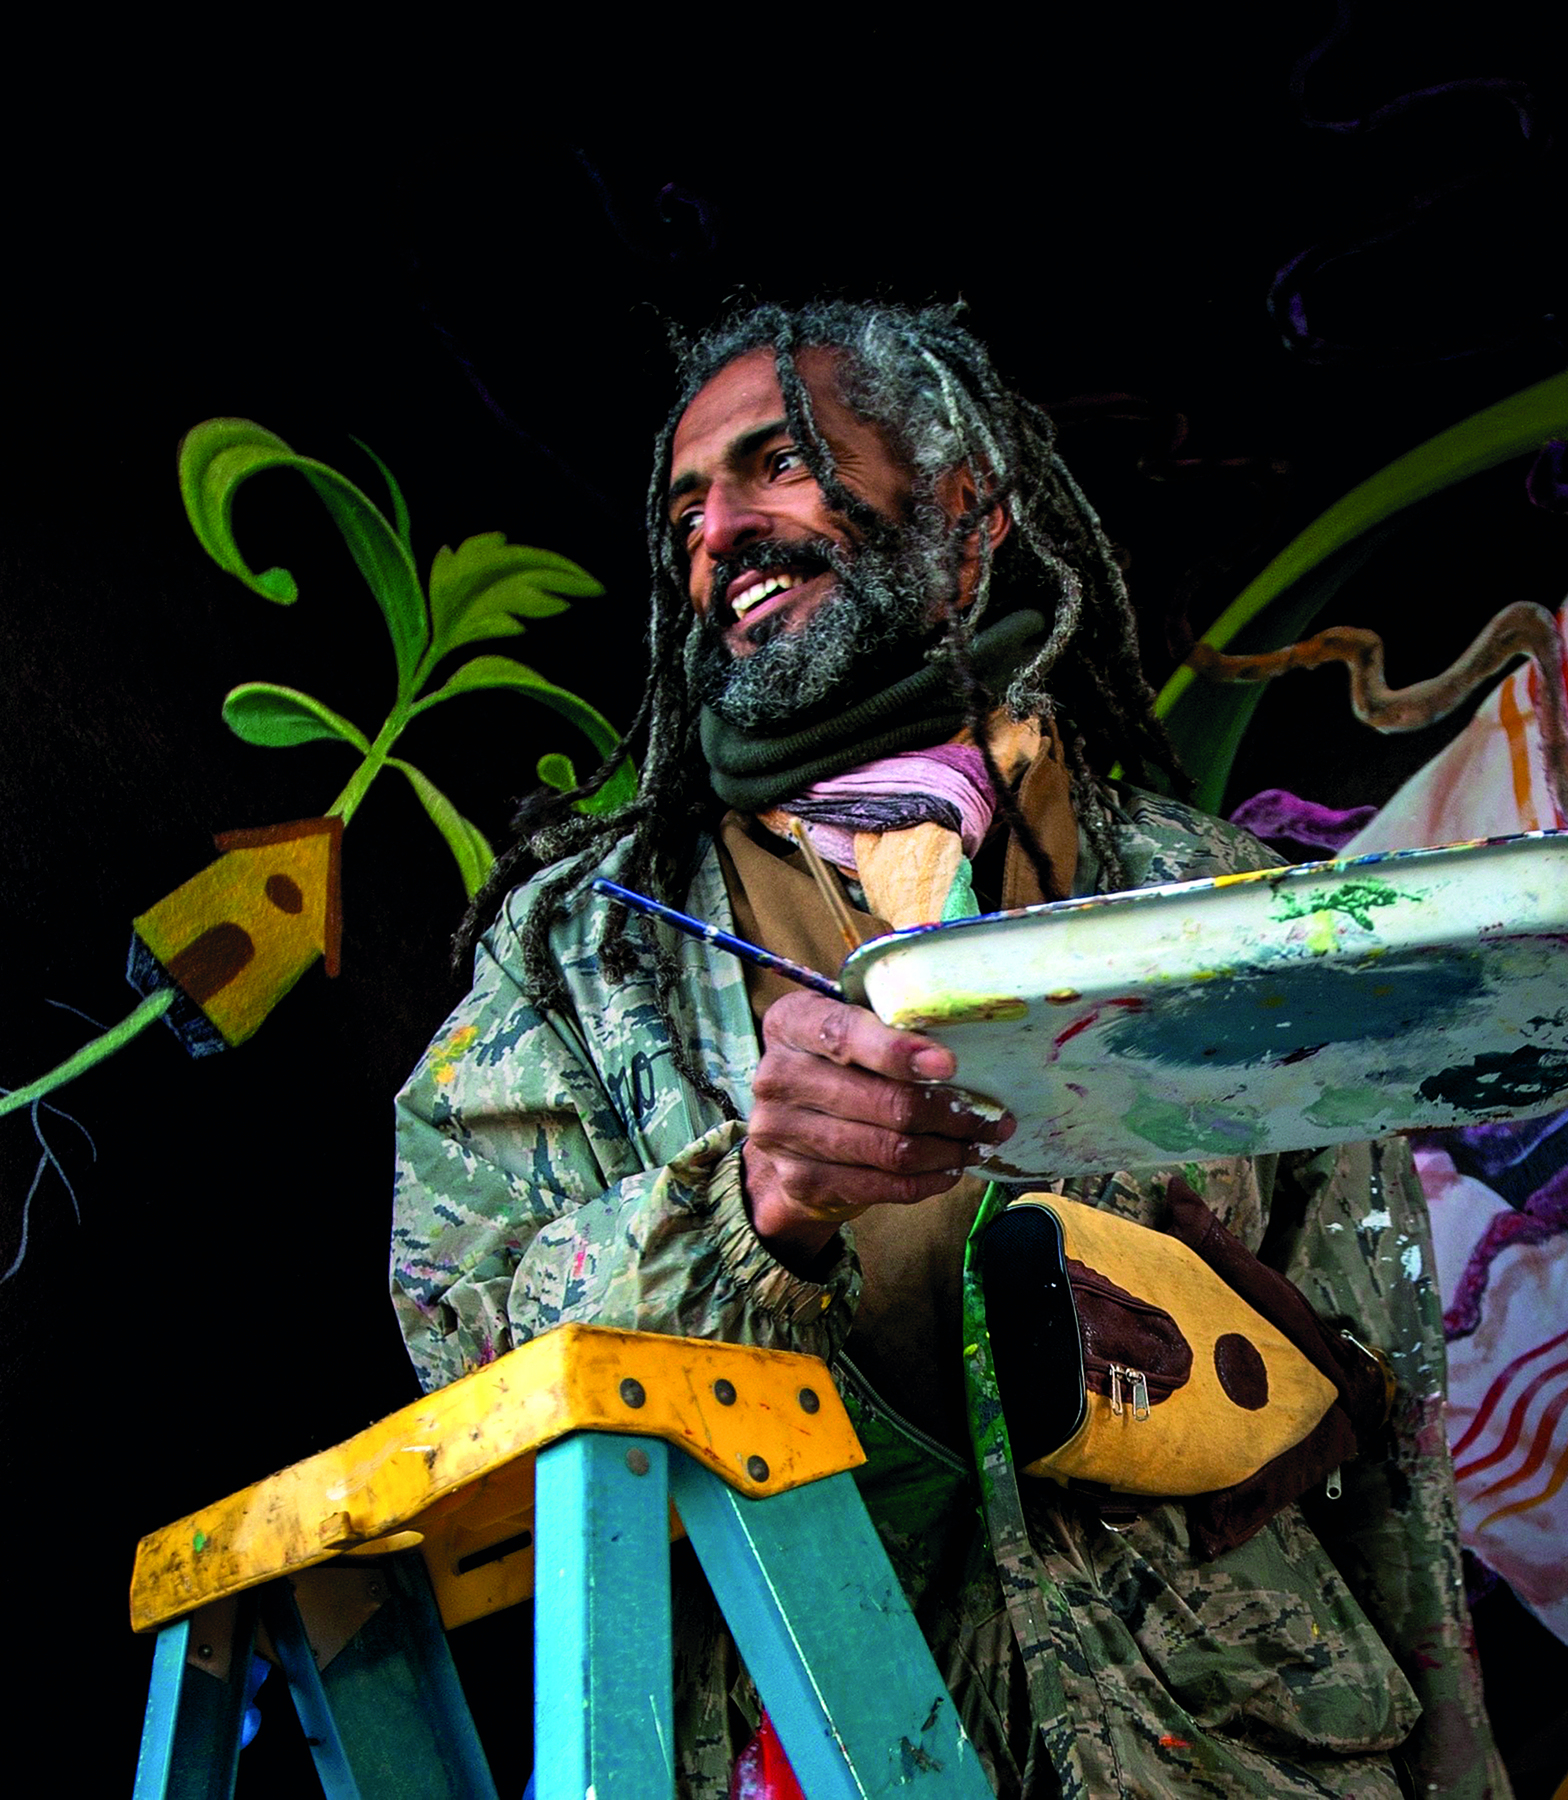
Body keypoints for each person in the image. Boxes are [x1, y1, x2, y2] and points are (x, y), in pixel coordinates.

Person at [391, 300, 1509, 1798]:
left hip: (1232, 1760)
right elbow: (467, 1359)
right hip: (814, 1738)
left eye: (777, 465)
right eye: (685, 510)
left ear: (969, 517)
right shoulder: (576, 957)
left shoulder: (1224, 907)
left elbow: (1393, 1447)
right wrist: (752, 1213)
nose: (717, 531)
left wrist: (1314, 1378)